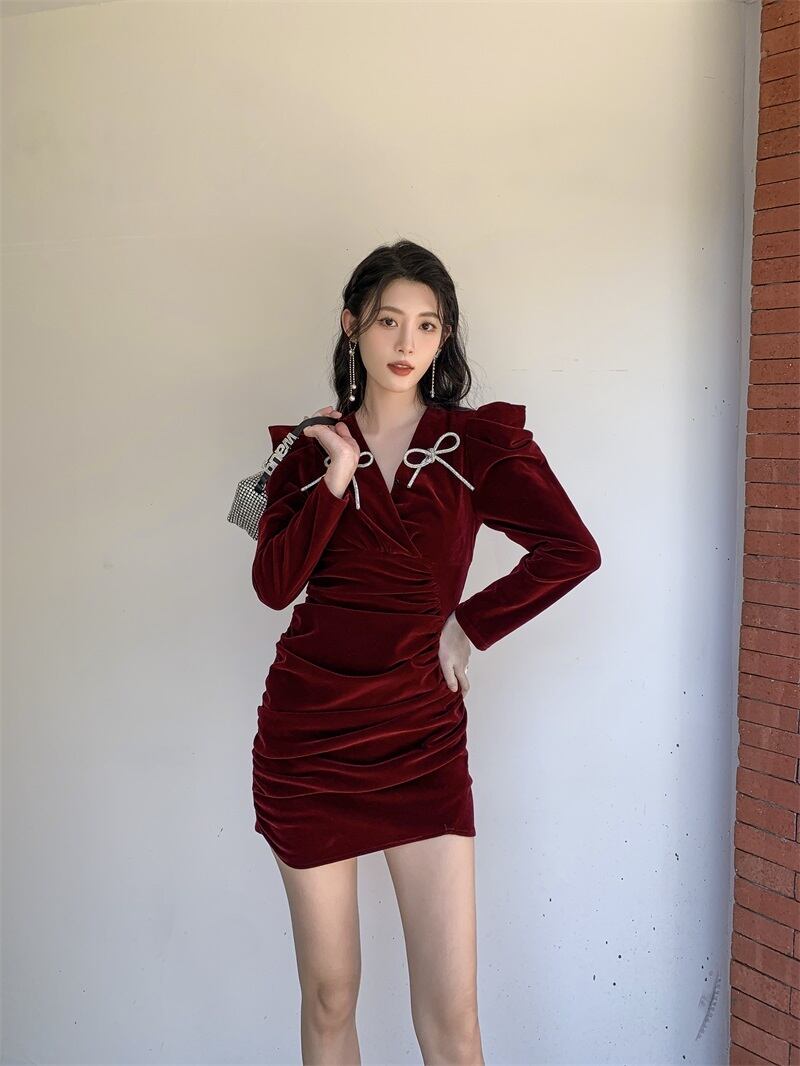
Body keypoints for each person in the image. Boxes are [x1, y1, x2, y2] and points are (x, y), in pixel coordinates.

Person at [251, 238, 601, 1064]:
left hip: (420, 739)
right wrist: (337, 474)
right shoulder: (303, 451)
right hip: (309, 740)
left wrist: (468, 625)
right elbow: (272, 584)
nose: (407, 343)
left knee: (453, 1018)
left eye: (428, 325)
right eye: (388, 322)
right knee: (331, 997)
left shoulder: (475, 444)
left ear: (445, 338)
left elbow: (572, 550)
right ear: (352, 326)